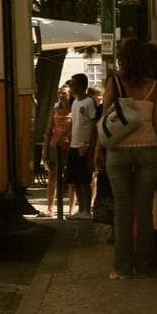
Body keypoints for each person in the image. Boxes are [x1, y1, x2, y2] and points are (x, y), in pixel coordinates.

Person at [94, 37, 157, 279]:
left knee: (122, 211)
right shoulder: (154, 85)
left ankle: (122, 268)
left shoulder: (116, 82)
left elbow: (105, 121)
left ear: (122, 59)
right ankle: (145, 266)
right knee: (144, 211)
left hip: (118, 150)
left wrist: (98, 150)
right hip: (148, 150)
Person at [65, 73, 96, 218]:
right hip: (73, 144)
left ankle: (87, 210)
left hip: (84, 145)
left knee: (84, 180)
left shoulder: (89, 102)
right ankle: (81, 208)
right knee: (75, 179)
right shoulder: (75, 102)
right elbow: (74, 122)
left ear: (80, 85)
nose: (71, 86)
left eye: (73, 84)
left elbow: (94, 124)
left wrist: (89, 145)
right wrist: (67, 135)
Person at [42, 85, 72, 217]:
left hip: (70, 146)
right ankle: (50, 208)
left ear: (70, 94)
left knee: (71, 177)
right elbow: (49, 130)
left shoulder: (74, 108)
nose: (61, 95)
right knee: (52, 176)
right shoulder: (55, 109)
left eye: (64, 93)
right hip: (55, 145)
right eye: (59, 93)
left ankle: (71, 209)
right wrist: (45, 149)